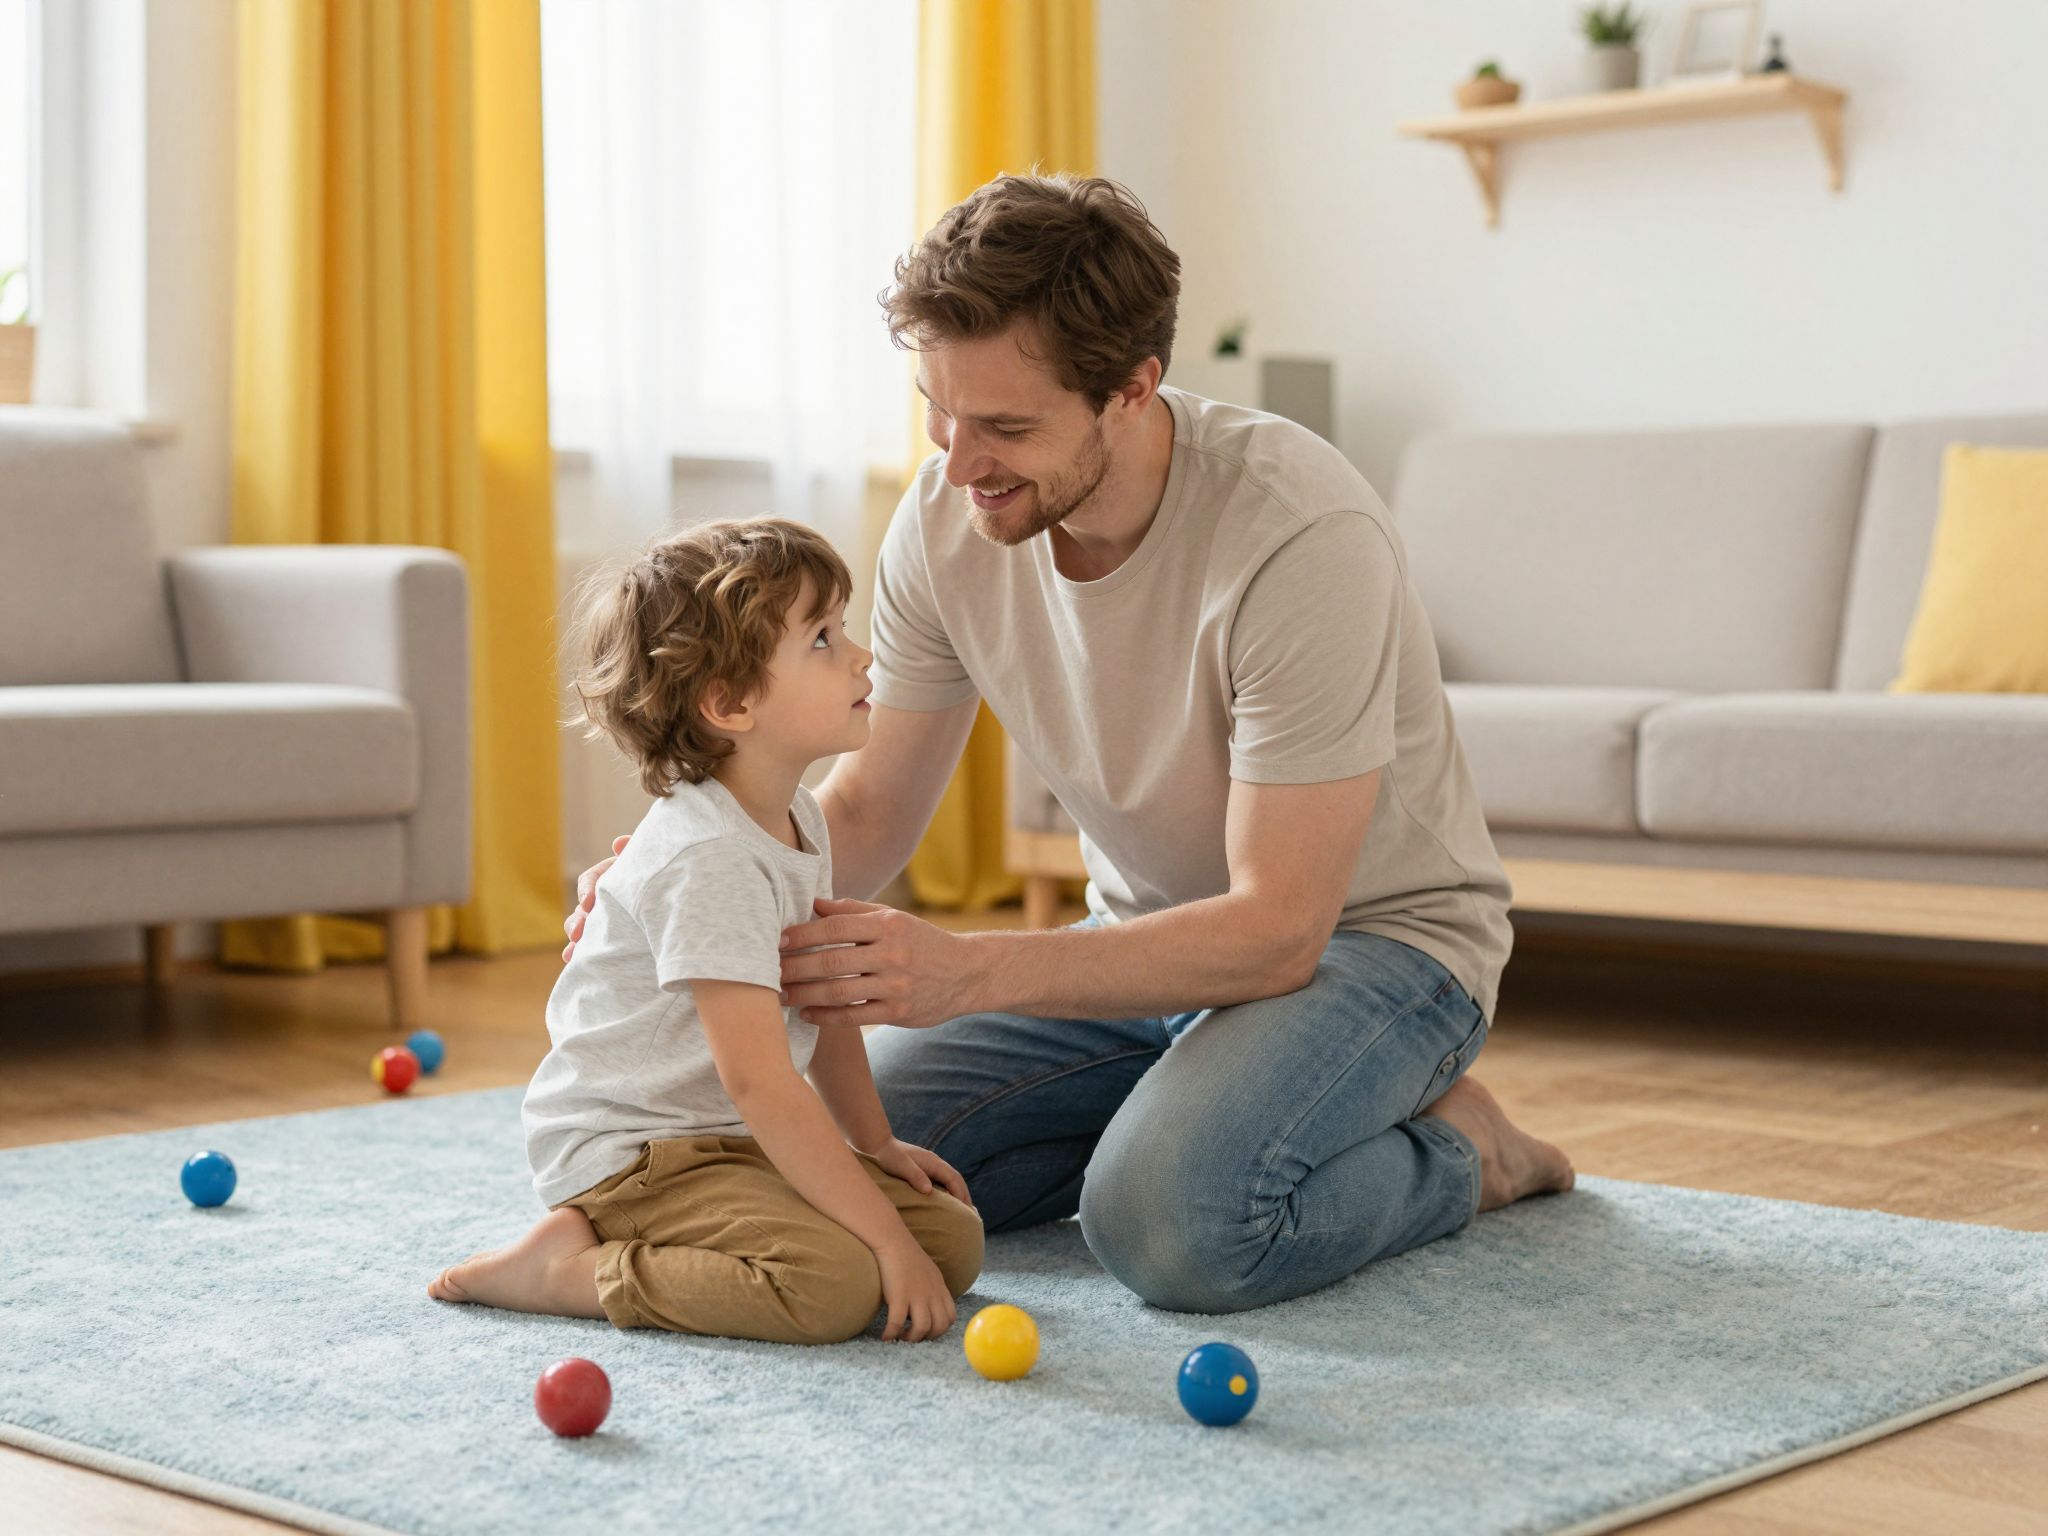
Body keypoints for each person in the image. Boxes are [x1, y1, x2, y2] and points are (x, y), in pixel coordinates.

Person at [565, 174, 1574, 1317]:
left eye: (1005, 428)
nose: (959, 464)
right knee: (851, 1156)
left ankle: (1466, 1152)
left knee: (1168, 1225)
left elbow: (1279, 929)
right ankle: (1211, 1107)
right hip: (1136, 950)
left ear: (1130, 390)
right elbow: (866, 814)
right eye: (938, 412)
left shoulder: (1298, 534)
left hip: (1374, 952)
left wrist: (968, 971)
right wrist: (686, 870)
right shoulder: (947, 519)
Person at [432, 518, 982, 1344]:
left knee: (950, 1241)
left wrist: (877, 1144)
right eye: (824, 639)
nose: (862, 656)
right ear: (730, 704)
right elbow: (761, 1082)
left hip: (724, 1138)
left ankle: (637, 1243)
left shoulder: (798, 815)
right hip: (637, 1152)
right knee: (831, 1284)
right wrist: (883, 1240)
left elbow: (821, 998)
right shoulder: (710, 858)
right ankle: (564, 1269)